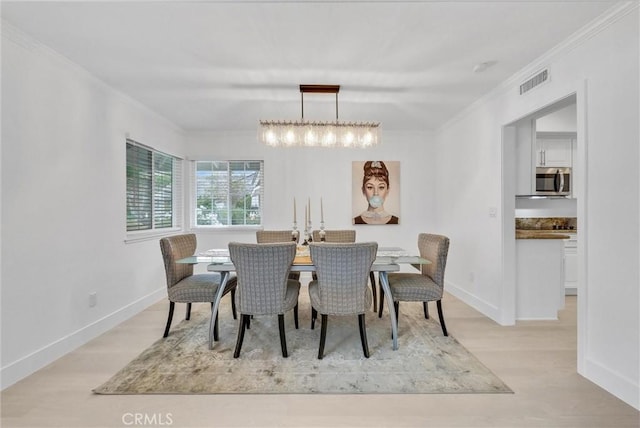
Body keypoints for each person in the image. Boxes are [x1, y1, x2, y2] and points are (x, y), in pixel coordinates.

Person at [353, 161, 399, 225]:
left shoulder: (397, 221)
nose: (376, 193)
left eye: (381, 187)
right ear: (363, 190)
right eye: (370, 187)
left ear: (388, 190)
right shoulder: (354, 221)